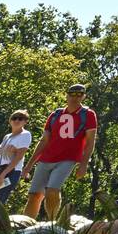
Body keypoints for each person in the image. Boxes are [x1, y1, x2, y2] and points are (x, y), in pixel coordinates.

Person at [22, 83, 97, 220]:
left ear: (84, 96)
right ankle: (24, 226)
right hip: (46, 158)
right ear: (66, 95)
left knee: (52, 190)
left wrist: (83, 164)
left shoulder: (88, 115)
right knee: (34, 195)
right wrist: (28, 166)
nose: (75, 98)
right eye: (72, 94)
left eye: (79, 95)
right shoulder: (55, 115)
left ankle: (51, 225)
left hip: (68, 159)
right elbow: (44, 140)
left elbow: (90, 141)